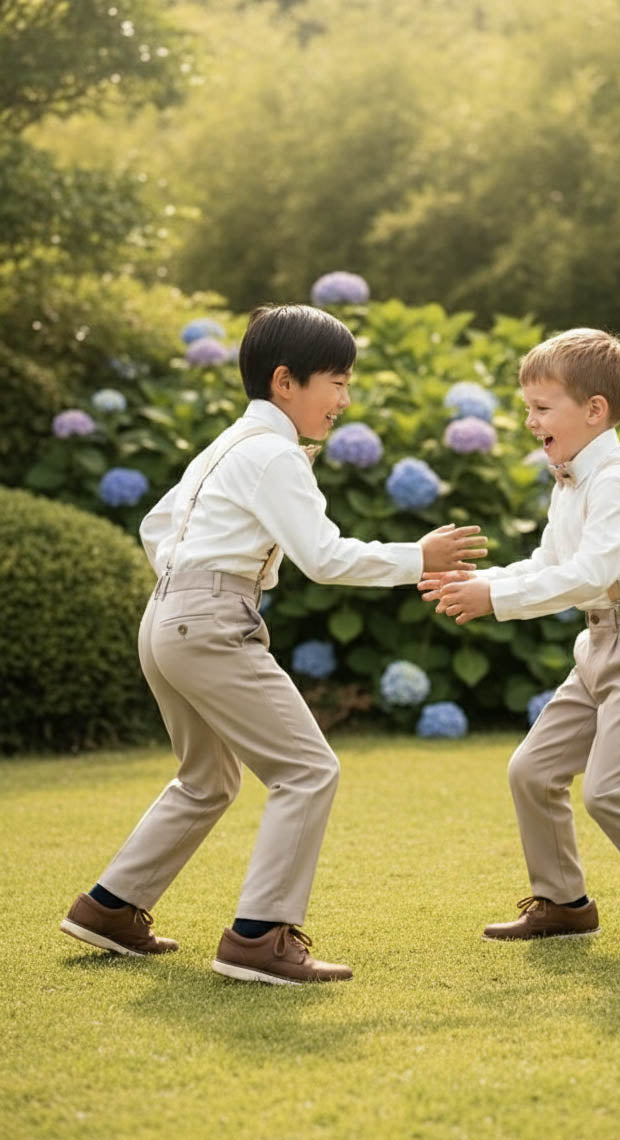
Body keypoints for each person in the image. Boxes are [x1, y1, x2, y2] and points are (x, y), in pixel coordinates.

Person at [60, 303, 487, 984]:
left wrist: (187, 586)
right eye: (337, 382)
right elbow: (323, 557)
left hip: (166, 617)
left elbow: (154, 526)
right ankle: (259, 939)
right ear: (285, 382)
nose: (345, 400)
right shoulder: (275, 454)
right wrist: (419, 557)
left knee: (206, 780)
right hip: (208, 623)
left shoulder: (226, 445)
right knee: (307, 770)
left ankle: (109, 909)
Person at [419, 327, 620, 953]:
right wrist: (483, 581)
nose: (530, 421)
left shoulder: (618, 483)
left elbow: (591, 575)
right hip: (600, 646)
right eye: (528, 407)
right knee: (533, 770)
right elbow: (550, 563)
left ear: (595, 410)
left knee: (609, 789)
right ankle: (564, 904)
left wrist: (495, 599)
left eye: (542, 408)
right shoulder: (568, 481)